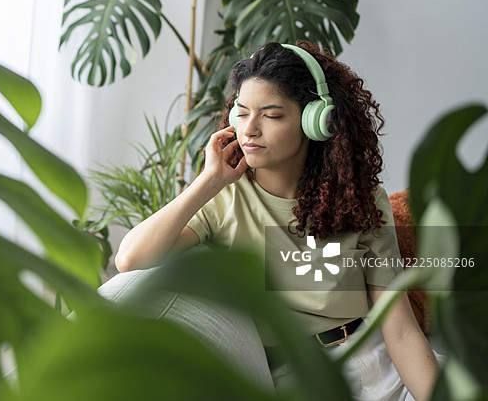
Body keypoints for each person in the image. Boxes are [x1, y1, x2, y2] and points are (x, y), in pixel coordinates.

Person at [114, 41, 440, 401]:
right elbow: (130, 259)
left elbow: (400, 330)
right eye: (241, 113)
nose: (249, 130)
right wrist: (208, 181)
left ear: (316, 121)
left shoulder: (361, 199)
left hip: (371, 360)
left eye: (270, 115)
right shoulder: (224, 197)